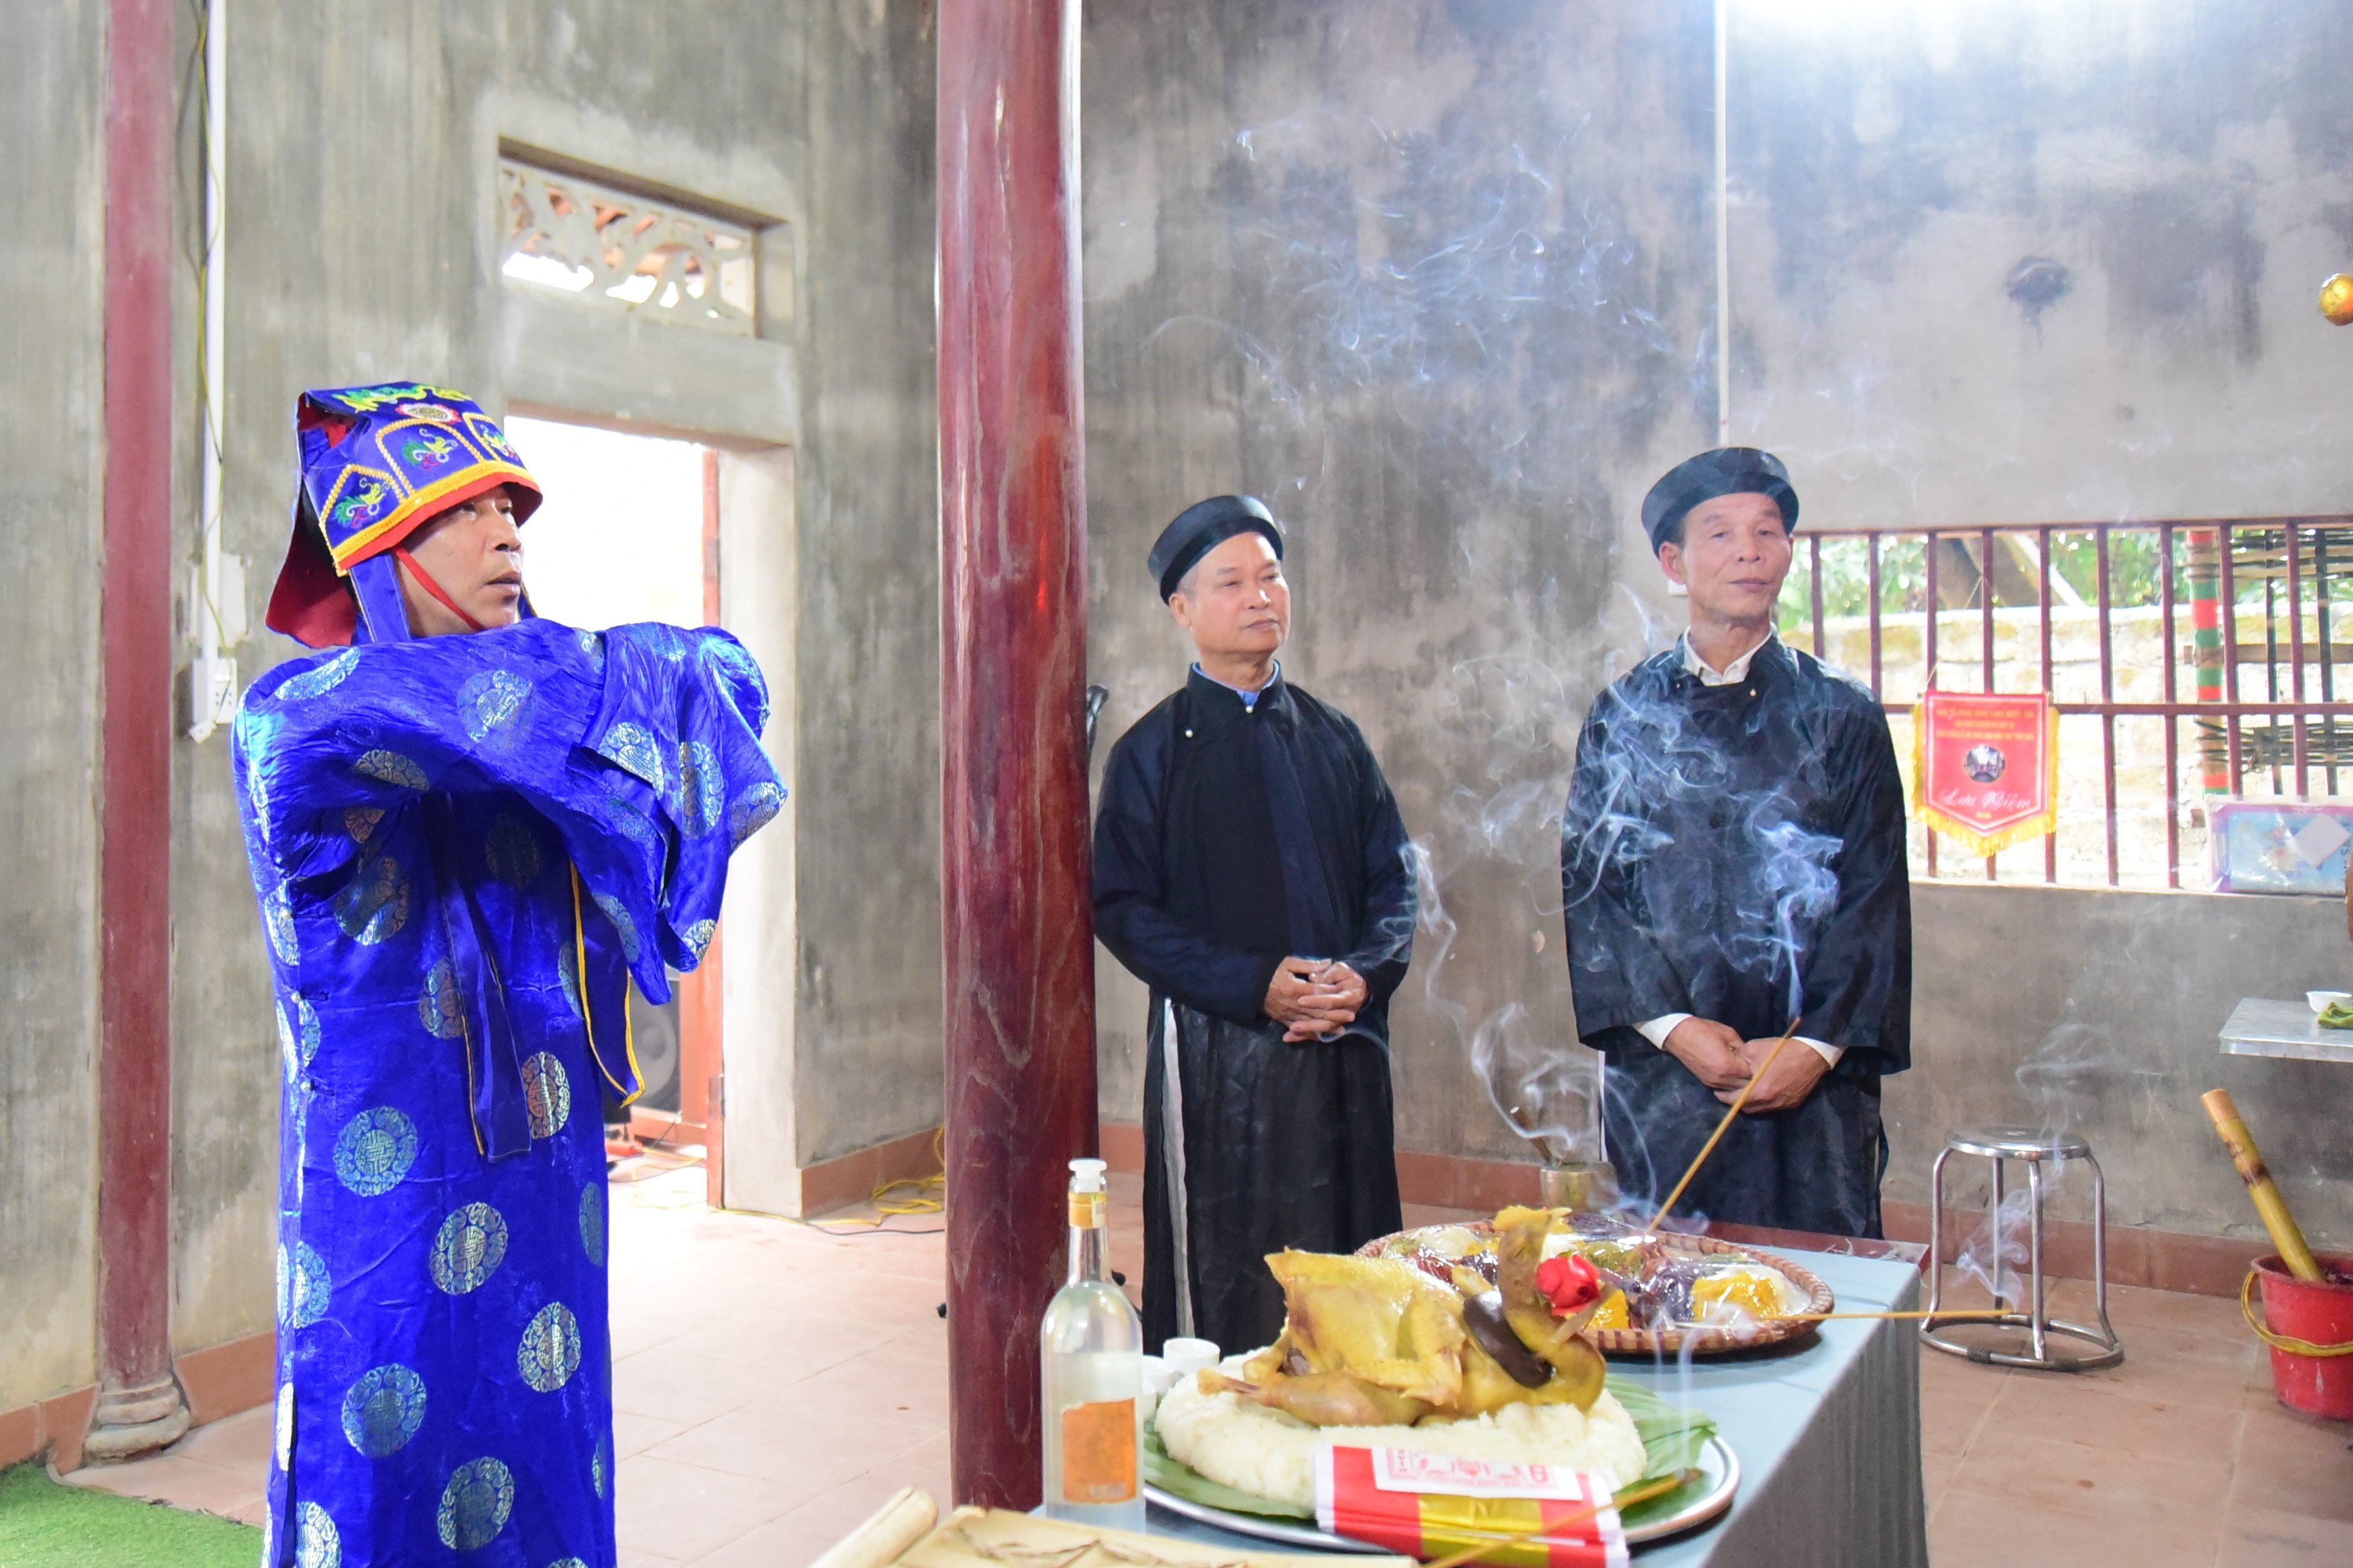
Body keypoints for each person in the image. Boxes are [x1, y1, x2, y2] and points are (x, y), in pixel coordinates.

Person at [234, 383, 784, 1568]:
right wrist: (633, 685)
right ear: (379, 547)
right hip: (387, 1191)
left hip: (544, 1170)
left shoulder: (536, 736)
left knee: (548, 1446)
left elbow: (724, 679)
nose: (506, 537)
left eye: (510, 510)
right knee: (384, 1466)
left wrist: (634, 691)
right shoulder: (298, 723)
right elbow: (619, 690)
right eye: (461, 514)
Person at [1093, 495, 1417, 1354]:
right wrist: (1253, 983)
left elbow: (1395, 878)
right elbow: (1122, 908)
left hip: (1345, 1043)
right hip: (1216, 1058)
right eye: (1231, 581)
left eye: (1270, 574)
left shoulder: (1336, 738)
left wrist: (1367, 972)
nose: (1259, 594)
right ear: (1183, 608)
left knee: (1352, 1263)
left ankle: (1355, 1420)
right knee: (1227, 1277)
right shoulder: (1151, 754)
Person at [1560, 448, 1910, 1237]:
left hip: (1807, 1078)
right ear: (1673, 562)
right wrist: (1673, 1028)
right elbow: (1595, 894)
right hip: (1666, 1075)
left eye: (1767, 531)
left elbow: (1872, 896)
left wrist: (1815, 1046)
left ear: (1788, 552)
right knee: (1665, 1288)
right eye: (1719, 533)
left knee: (1813, 1286)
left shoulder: (1841, 714)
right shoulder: (1622, 712)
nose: (1748, 550)